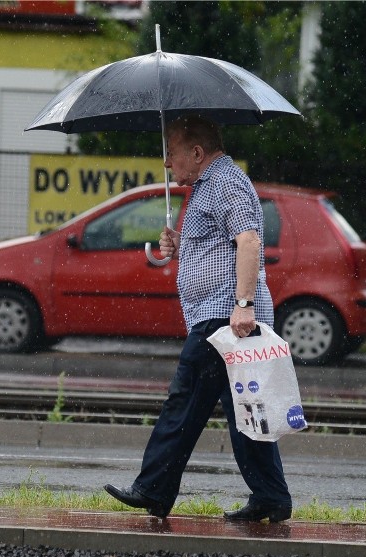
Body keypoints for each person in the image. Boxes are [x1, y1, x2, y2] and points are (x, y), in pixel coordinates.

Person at [104, 114, 292, 523]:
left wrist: (243, 305)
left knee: (183, 400)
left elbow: (249, 241)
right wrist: (179, 243)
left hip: (224, 318)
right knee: (245, 408)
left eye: (171, 154)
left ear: (196, 152)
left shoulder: (225, 181)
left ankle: (153, 487)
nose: (168, 164)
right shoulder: (210, 186)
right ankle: (272, 497)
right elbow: (220, 244)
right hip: (220, 317)